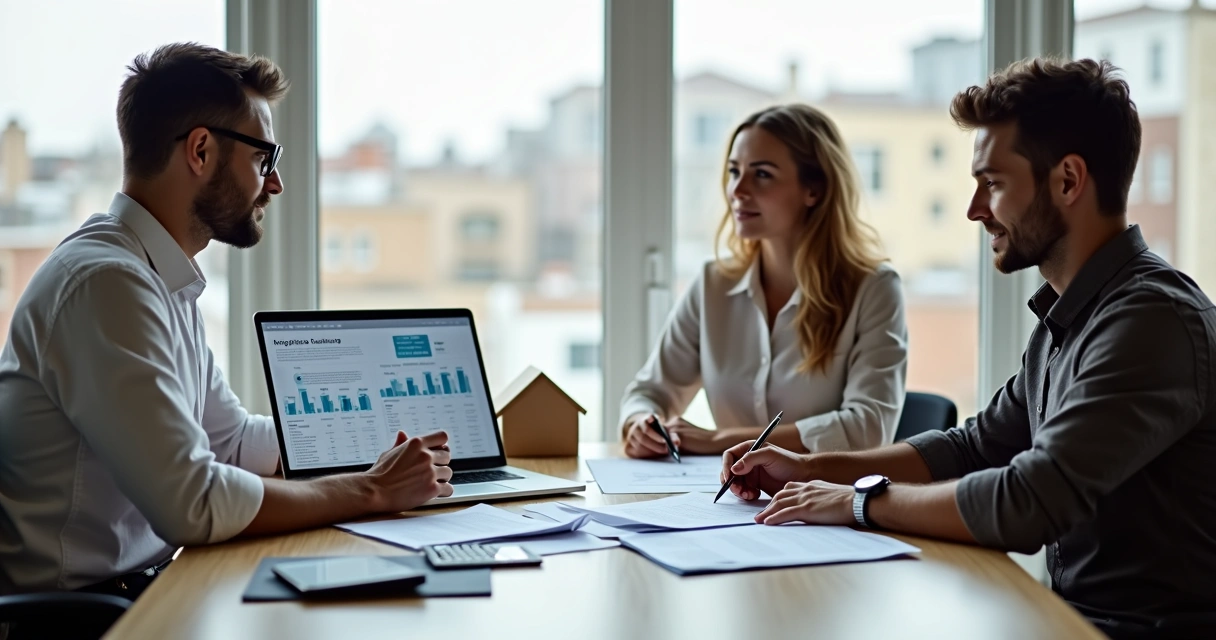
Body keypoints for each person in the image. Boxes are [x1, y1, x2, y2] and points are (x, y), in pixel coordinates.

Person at [720, 58, 1216, 639]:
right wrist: (810, 469)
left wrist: (858, 502)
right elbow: (973, 447)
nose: (975, 209)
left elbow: (1027, 502)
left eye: (994, 184)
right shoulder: (1071, 319)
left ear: (1068, 180)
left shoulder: (1150, 321)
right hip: (1073, 620)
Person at [0, 43, 454, 609]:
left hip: (144, 592)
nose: (275, 184)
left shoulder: (155, 276)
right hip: (83, 616)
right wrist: (369, 489)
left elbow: (232, 444)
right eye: (264, 159)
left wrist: (393, 436)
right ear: (200, 150)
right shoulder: (106, 286)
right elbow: (193, 502)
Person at [619, 104, 908, 459]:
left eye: (763, 175)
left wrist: (721, 439)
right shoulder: (713, 285)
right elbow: (649, 391)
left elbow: (868, 428)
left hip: (825, 504)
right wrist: (640, 424)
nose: (738, 190)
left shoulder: (874, 288)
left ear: (814, 189)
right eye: (733, 171)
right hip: (727, 501)